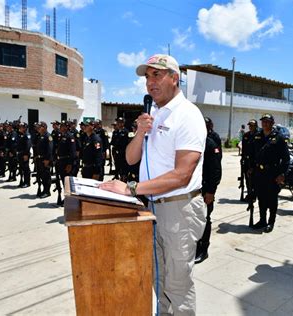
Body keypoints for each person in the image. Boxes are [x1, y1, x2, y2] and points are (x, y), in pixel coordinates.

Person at [99, 53, 207, 315]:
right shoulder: (154, 114)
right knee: (159, 279)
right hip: (153, 206)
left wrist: (131, 188)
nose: (150, 82)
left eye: (157, 75)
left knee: (177, 285)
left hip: (179, 209)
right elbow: (130, 158)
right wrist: (140, 132)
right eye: (147, 77)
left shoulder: (188, 115)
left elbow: (182, 175)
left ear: (174, 78)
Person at [249, 114, 290, 233]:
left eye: (268, 122)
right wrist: (251, 167)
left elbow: (286, 158)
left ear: (272, 123)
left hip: (273, 173)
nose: (265, 124)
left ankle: (271, 221)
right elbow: (252, 154)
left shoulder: (279, 138)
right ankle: (262, 220)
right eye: (263, 122)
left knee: (272, 199)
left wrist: (282, 174)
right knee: (261, 198)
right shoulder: (257, 136)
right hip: (259, 173)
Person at [195, 117, 222, 264]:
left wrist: (211, 191)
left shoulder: (210, 144)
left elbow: (216, 170)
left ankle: (204, 249)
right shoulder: (194, 141)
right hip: (194, 188)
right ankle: (196, 245)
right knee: (195, 220)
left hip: (206, 189)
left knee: (205, 219)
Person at [36, 121, 53, 198]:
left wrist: (47, 160)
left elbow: (49, 149)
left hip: (45, 159)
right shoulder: (41, 136)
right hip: (40, 159)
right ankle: (44, 190)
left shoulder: (48, 136)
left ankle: (47, 191)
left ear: (44, 127)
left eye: (40, 127)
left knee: (46, 176)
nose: (38, 128)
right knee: (42, 176)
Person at [17, 122, 32, 188]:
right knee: (21, 168)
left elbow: (28, 146)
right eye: (19, 127)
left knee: (26, 169)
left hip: (24, 154)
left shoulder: (27, 135)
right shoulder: (21, 135)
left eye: (21, 127)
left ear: (25, 128)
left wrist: (26, 154)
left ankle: (27, 182)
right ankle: (23, 181)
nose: (20, 128)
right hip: (20, 154)